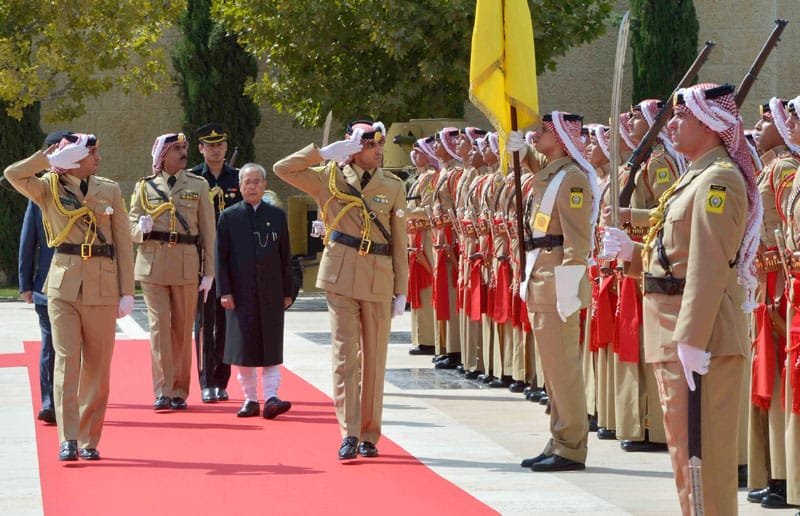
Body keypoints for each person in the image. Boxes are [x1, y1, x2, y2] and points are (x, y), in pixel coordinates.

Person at [604, 83, 759, 515]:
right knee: (684, 458)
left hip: (701, 338)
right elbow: (676, 254)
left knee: (703, 463)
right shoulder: (694, 176)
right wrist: (632, 255)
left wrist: (690, 338)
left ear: (709, 125)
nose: (670, 124)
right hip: (675, 329)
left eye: (680, 117)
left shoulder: (719, 180)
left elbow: (709, 266)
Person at [273, 119, 408, 460]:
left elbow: (401, 243)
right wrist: (321, 153)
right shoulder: (328, 178)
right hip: (341, 275)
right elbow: (282, 168)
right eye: (370, 145)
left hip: (378, 275)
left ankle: (369, 433)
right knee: (345, 357)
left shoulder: (392, 185)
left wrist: (402, 289)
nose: (378, 150)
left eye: (380, 145)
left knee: (374, 359)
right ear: (353, 148)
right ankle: (348, 433)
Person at [4, 133, 135, 461]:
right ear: (74, 158)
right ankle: (69, 438)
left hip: (103, 285)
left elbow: (123, 242)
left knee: (98, 366)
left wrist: (127, 291)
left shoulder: (110, 189)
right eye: (91, 153)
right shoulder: (48, 186)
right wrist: (46, 159)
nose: (97, 159)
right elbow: (12, 174)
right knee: (66, 361)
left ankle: (90, 439)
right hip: (63, 285)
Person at [514, 112, 598, 472]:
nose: (535, 135)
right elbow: (539, 176)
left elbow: (578, 241)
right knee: (552, 370)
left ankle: (572, 446)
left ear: (562, 137)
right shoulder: (554, 173)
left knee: (564, 370)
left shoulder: (573, 179)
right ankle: (559, 438)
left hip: (557, 281)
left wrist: (568, 287)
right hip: (541, 277)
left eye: (542, 131)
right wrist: (520, 153)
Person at [129, 133, 216, 411]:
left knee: (181, 329)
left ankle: (179, 390)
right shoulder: (144, 187)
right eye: (176, 148)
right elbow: (130, 223)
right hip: (152, 264)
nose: (182, 152)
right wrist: (139, 230)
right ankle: (162, 390)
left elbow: (208, 232)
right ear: (162, 155)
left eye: (184, 147)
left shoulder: (198, 185)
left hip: (185, 264)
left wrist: (209, 272)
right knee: (158, 328)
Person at [216, 163, 293, 419]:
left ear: (265, 185)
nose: (252, 186)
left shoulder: (277, 216)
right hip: (240, 295)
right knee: (243, 349)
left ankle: (271, 397)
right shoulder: (228, 217)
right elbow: (221, 259)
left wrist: (288, 291)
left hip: (271, 293)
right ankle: (250, 399)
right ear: (239, 186)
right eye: (247, 182)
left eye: (257, 181)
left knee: (271, 346)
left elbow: (286, 257)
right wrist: (224, 291)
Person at [189, 123, 242, 404]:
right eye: (210, 145)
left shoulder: (238, 177)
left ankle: (222, 379)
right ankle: (206, 380)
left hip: (231, 259)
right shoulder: (193, 179)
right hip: (202, 258)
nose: (216, 149)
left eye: (220, 144)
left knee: (226, 322)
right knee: (205, 322)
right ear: (201, 149)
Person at [19, 200, 56, 423]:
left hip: (85, 287)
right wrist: (26, 284)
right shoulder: (40, 198)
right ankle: (49, 403)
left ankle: (74, 399)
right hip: (47, 287)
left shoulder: (93, 192)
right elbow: (28, 241)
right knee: (50, 344)